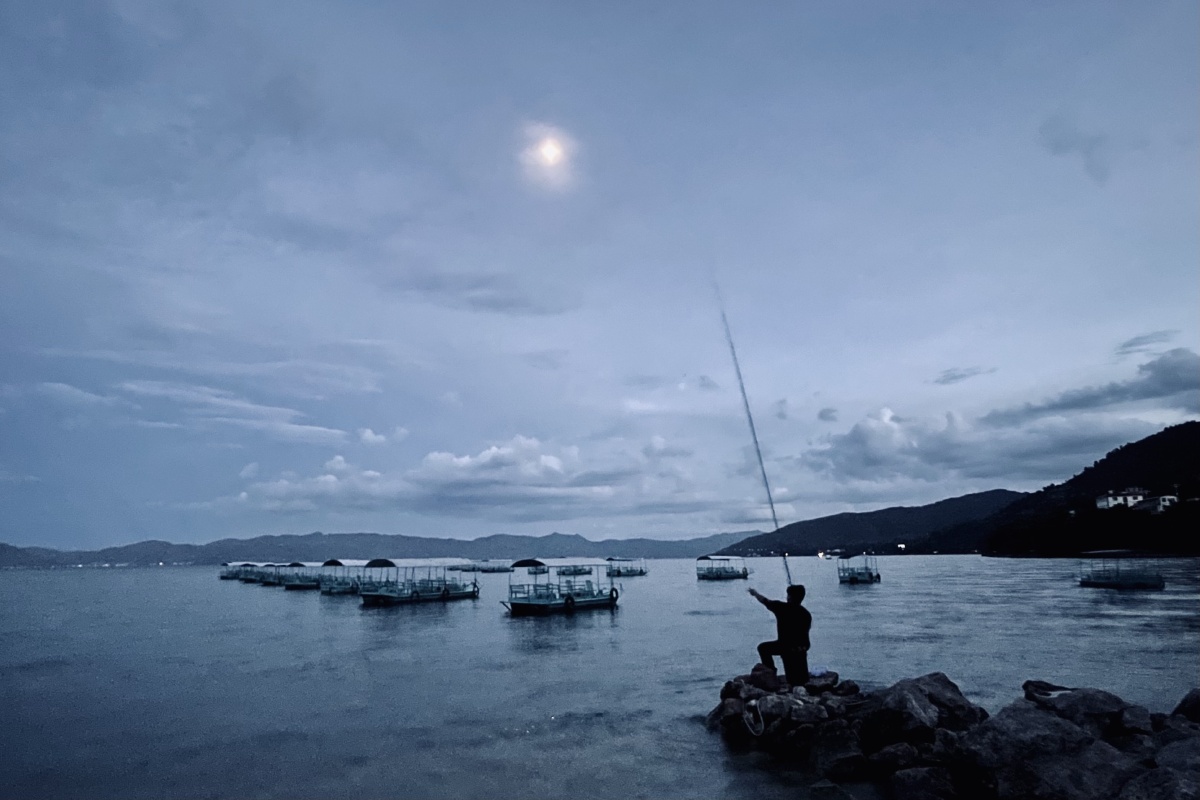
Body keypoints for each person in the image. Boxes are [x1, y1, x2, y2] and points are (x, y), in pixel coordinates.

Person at [748, 584, 811, 686]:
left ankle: (770, 673)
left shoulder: (781, 608)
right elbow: (805, 635)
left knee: (763, 648)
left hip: (785, 647)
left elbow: (765, 601)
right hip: (801, 648)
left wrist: (755, 593)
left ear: (790, 597)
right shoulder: (806, 614)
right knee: (799, 680)